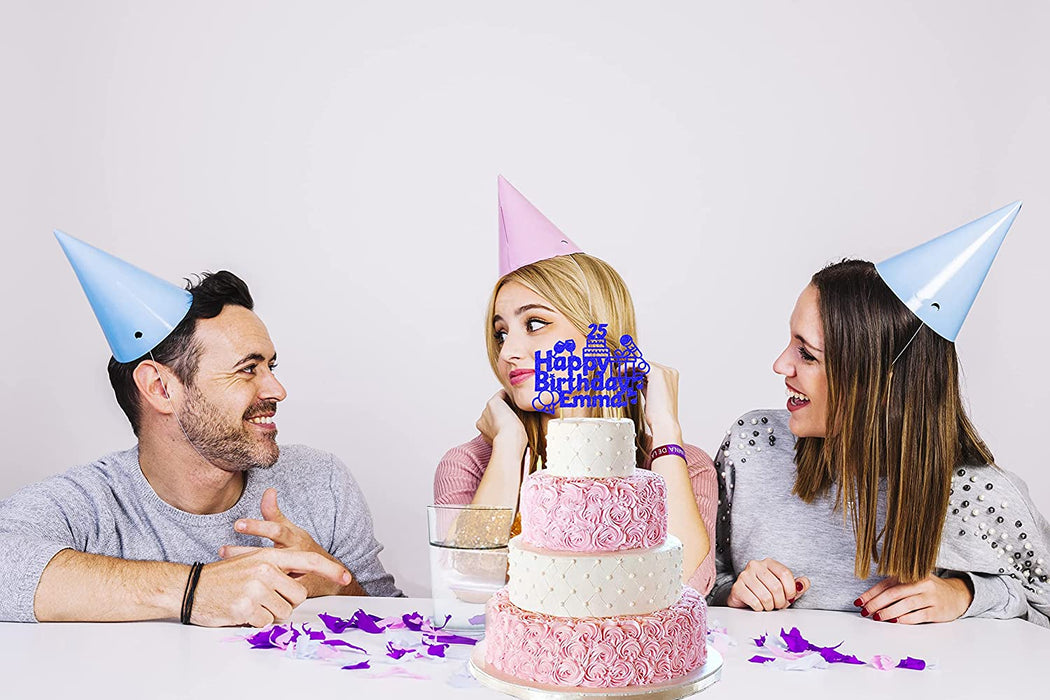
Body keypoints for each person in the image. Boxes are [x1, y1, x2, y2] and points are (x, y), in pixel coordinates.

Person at [0, 233, 400, 626]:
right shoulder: (92, 504)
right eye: (248, 369)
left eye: (270, 367)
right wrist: (195, 590)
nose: (277, 389)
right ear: (161, 389)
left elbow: (395, 625)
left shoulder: (319, 481)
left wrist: (333, 586)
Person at [709, 202, 1050, 626]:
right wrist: (732, 591)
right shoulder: (755, 443)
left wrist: (966, 594)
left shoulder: (980, 496)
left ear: (879, 381)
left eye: (808, 354)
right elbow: (693, 581)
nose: (781, 365)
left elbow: (1043, 610)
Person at [434, 177, 716, 593]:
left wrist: (666, 433)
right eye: (500, 333)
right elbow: (469, 587)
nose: (508, 350)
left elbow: (687, 583)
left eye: (534, 323)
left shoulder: (681, 466)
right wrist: (509, 447)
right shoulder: (469, 465)